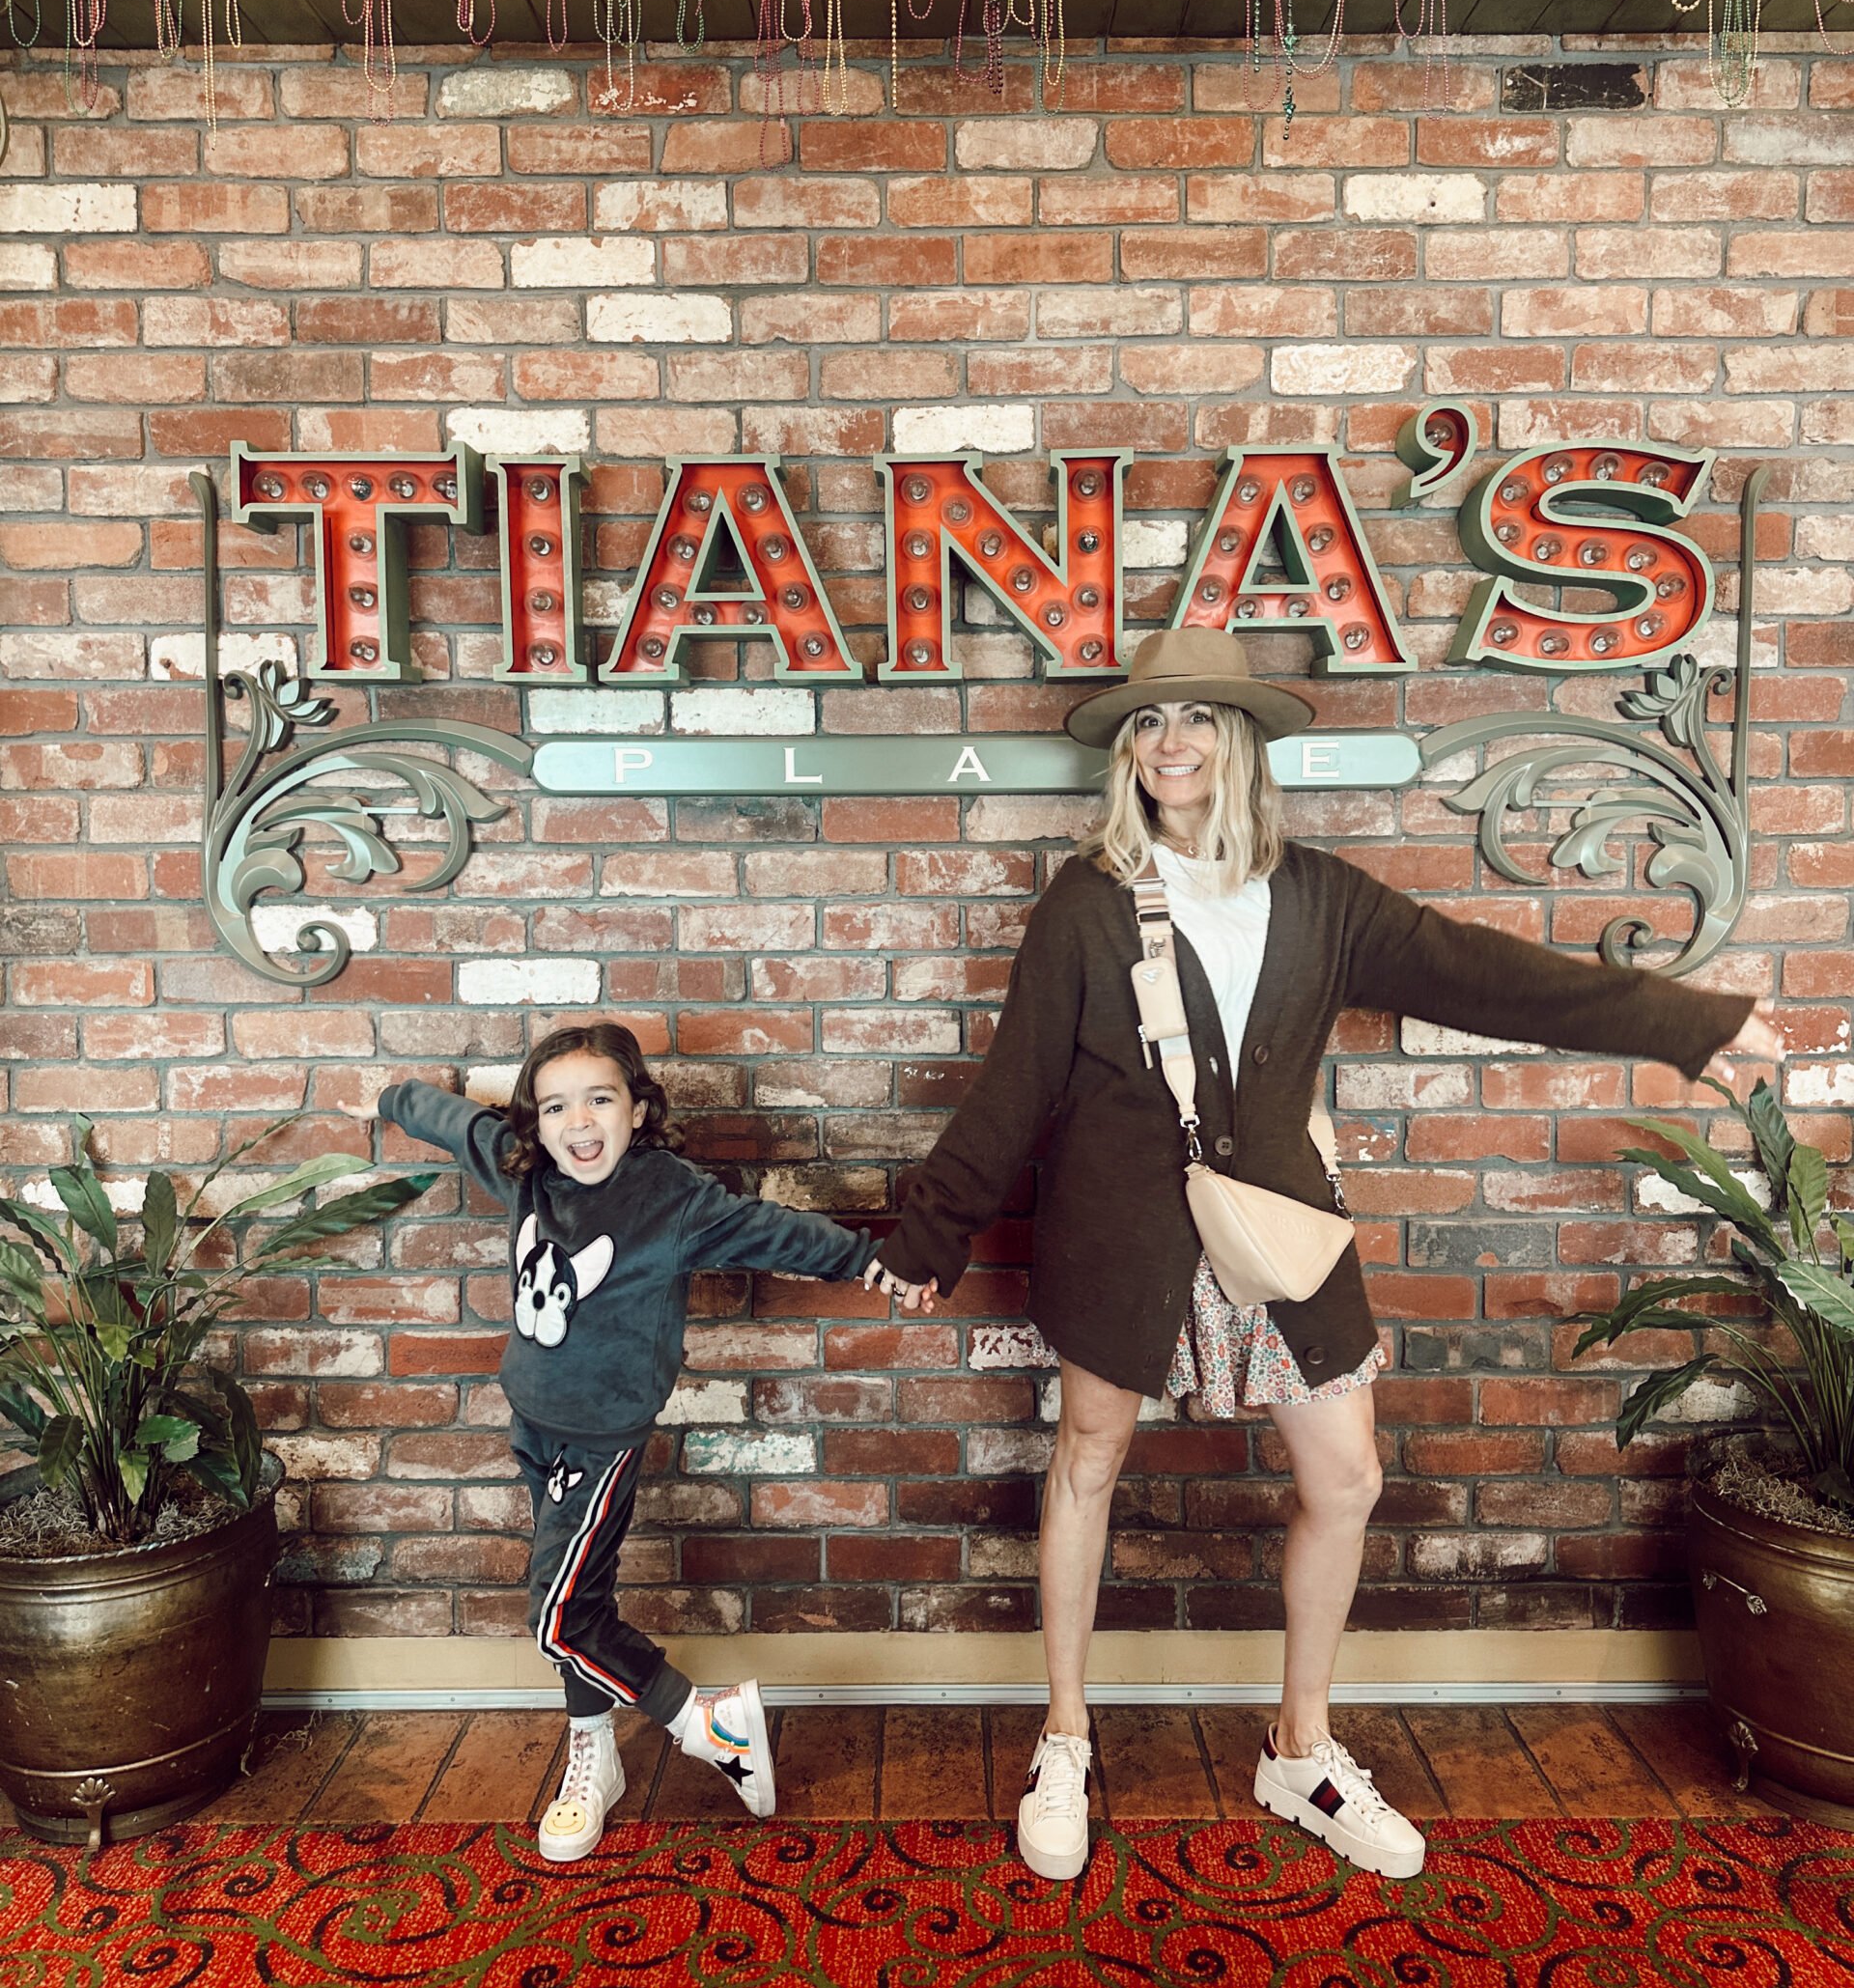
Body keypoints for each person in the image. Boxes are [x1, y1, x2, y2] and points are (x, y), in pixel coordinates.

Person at [869, 626, 1781, 1886]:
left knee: (1345, 1476)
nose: (1172, 740)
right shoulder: (1084, 906)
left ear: (1238, 741)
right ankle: (1066, 1737)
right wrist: (929, 1234)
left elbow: (1485, 975)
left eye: (1196, 718)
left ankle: (1300, 1748)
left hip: (1279, 1232)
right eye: (1149, 721)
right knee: (1088, 1458)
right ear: (1127, 752)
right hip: (1119, 1234)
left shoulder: (1320, 897)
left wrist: (1690, 1026)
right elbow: (1009, 1093)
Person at [380, 1022, 883, 1862]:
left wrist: (867, 1259)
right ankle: (595, 1753)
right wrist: (390, 1097)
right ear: (534, 1125)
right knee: (584, 1602)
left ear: (639, 1109)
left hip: (601, 1439)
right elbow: (452, 1119)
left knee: (558, 1613)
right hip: (534, 1421)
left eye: (600, 1100)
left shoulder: (672, 1199)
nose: (579, 1123)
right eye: (557, 1107)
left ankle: (705, 1723)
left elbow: (778, 1232)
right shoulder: (525, 1172)